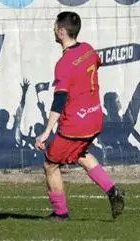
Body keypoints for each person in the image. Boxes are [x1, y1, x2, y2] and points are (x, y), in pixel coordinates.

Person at [35, 11, 125, 220]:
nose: (53, 29)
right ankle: (113, 192)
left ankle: (60, 213)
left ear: (62, 31)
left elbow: (59, 101)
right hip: (95, 118)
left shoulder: (63, 64)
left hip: (76, 123)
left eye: (55, 27)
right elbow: (94, 64)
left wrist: (46, 132)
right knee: (79, 154)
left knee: (50, 164)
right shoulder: (88, 49)